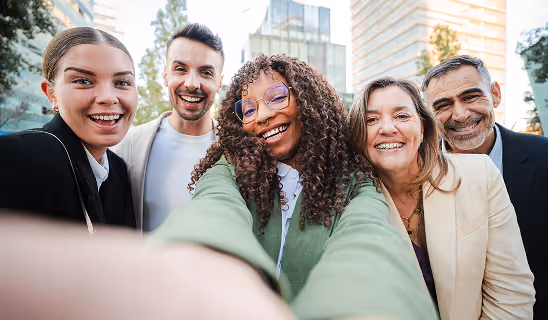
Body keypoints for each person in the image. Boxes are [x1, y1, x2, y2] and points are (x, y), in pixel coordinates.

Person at [151, 54, 438, 319]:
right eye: (248, 108)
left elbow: (367, 243)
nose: (262, 115)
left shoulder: (354, 184)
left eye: (276, 96)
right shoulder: (232, 170)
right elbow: (213, 210)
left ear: (307, 100)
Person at [348, 77, 535, 319]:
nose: (387, 128)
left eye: (402, 116)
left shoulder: (480, 174)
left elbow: (511, 294)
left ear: (423, 127)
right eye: (371, 120)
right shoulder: (346, 203)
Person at [422, 55, 548, 318]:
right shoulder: (418, 175)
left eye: (470, 96)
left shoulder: (544, 157)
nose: (460, 113)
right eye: (443, 105)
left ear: (495, 94)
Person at [0, 27, 137, 231]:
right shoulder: (16, 156)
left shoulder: (119, 170)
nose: (108, 97)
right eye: (83, 81)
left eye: (122, 82)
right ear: (51, 94)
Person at [112, 23, 223, 232]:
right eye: (180, 69)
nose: (191, 84)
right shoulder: (127, 147)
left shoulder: (240, 153)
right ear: (166, 76)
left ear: (219, 83)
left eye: (206, 72)